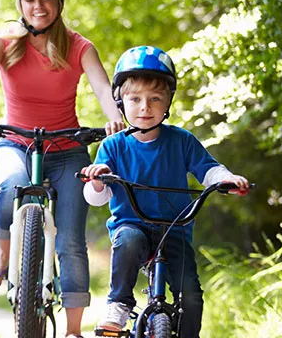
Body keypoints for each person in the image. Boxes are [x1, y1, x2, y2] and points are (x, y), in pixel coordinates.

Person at [0, 0, 125, 338]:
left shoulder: (80, 47)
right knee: (12, 185)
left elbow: (101, 86)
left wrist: (114, 118)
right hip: (14, 142)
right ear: (19, 4)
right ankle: (3, 250)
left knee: (71, 241)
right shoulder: (5, 42)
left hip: (67, 150)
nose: (38, 6)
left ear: (60, 1)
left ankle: (73, 331)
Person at [80, 45, 250, 337]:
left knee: (191, 296)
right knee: (129, 242)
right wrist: (98, 179)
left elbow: (208, 169)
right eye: (135, 99)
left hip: (175, 229)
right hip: (131, 225)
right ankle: (118, 304)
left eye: (155, 98)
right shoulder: (113, 145)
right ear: (120, 101)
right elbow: (97, 196)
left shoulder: (181, 140)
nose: (145, 107)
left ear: (168, 101)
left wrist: (227, 179)